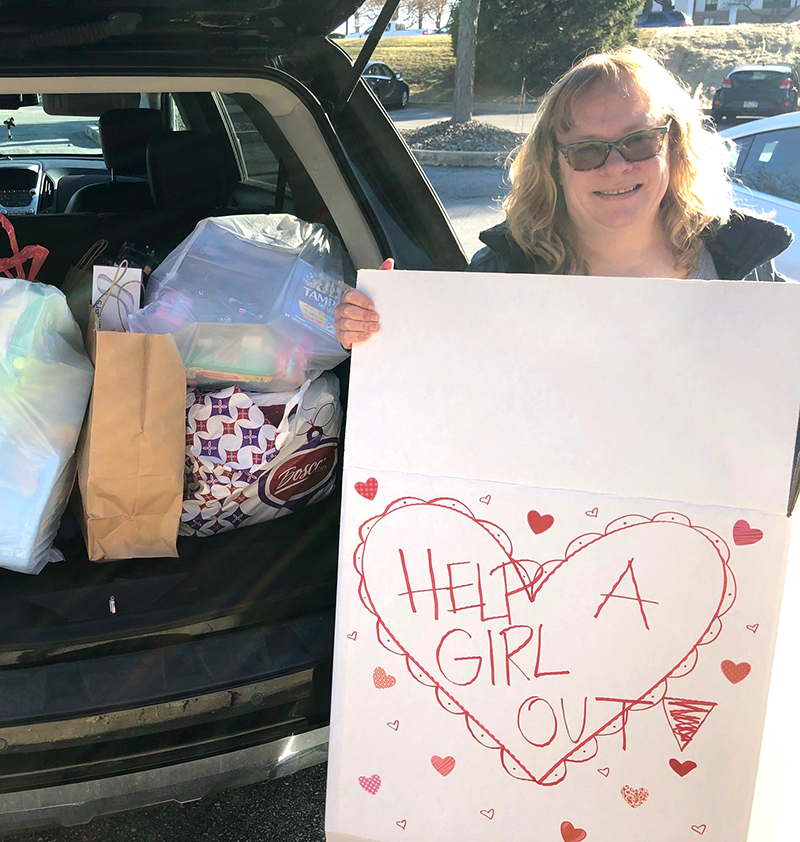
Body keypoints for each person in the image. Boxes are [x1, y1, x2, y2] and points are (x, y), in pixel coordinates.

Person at [334, 47, 792, 350]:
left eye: (637, 141)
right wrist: (380, 330)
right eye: (588, 150)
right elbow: (443, 387)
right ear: (555, 163)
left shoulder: (747, 267)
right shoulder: (502, 272)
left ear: (672, 143)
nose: (615, 166)